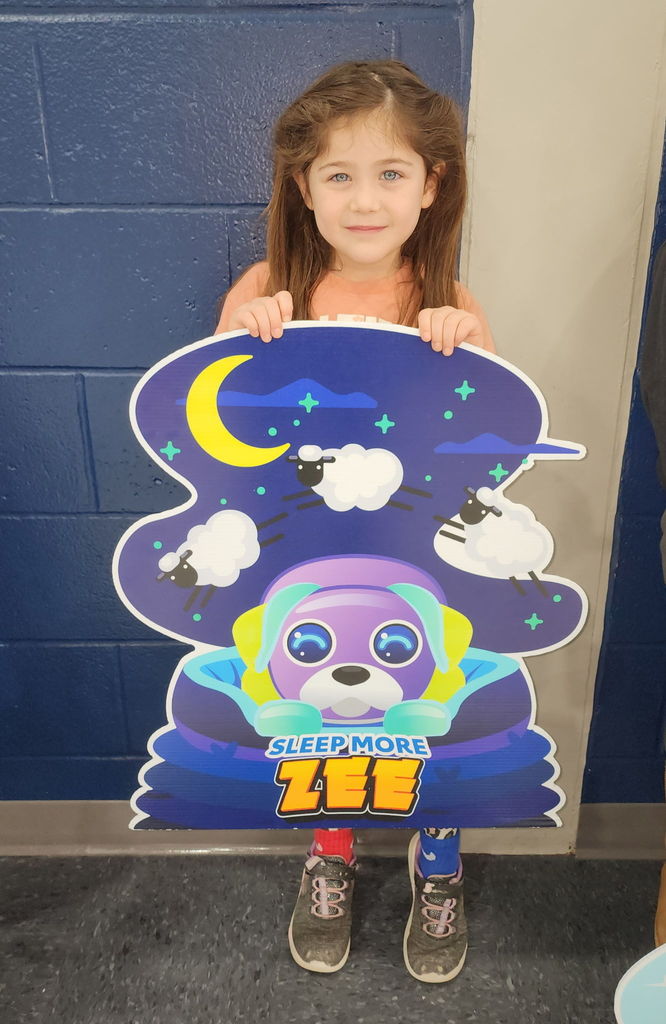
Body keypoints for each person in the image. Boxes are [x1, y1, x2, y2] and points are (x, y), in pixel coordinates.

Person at [216, 59, 496, 983]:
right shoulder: (267, 289)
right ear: (304, 187)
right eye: (338, 175)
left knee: (429, 716)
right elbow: (217, 439)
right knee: (325, 711)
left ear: (431, 185)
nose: (364, 199)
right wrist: (242, 342)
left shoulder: (448, 307)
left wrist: (461, 354)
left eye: (390, 174)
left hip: (421, 566)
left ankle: (437, 855)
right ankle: (330, 848)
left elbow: (486, 458)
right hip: (306, 563)